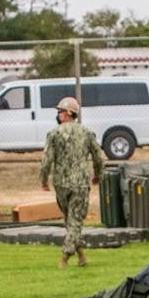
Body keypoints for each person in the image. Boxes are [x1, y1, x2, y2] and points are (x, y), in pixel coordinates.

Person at [40, 96, 103, 268]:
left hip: (61, 183)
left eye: (60, 111)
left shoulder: (54, 134)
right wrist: (98, 175)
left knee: (70, 220)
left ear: (68, 113)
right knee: (74, 220)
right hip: (81, 183)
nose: (58, 114)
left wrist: (44, 180)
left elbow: (46, 159)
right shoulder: (87, 133)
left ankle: (76, 256)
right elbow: (99, 158)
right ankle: (67, 256)